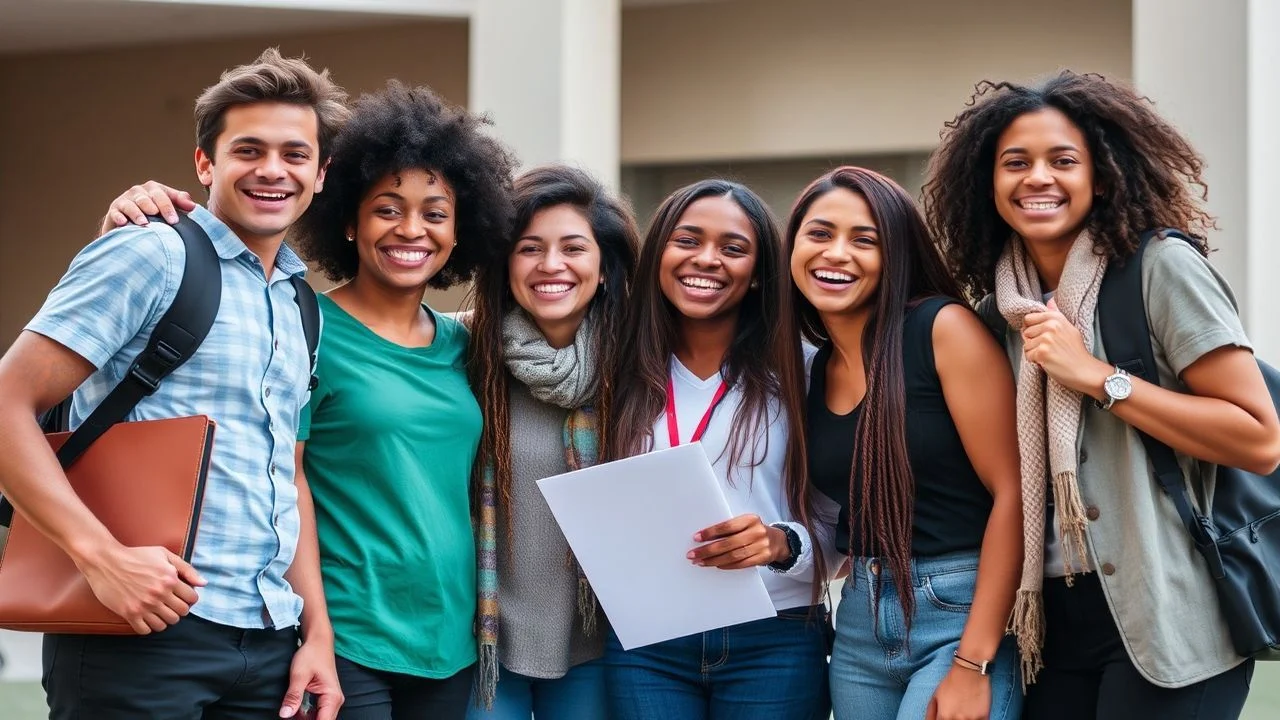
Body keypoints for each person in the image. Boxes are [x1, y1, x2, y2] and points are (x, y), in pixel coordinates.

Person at [101, 80, 518, 719]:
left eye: (436, 213)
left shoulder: (467, 346)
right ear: (347, 219)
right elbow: (289, 477)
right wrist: (317, 631)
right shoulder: (305, 328)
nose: (412, 229)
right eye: (387, 208)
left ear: (463, 231)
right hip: (346, 639)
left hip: (452, 642)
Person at [0, 48, 349, 719]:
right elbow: (8, 403)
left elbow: (287, 472)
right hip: (138, 632)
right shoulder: (150, 252)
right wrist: (99, 558)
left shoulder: (301, 302)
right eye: (248, 149)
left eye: (295, 154)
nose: (273, 169)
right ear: (204, 164)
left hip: (268, 641)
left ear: (320, 173)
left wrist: (316, 635)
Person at [923, 70, 1280, 719]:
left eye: (1063, 160)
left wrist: (1096, 376)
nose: (1037, 178)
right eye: (1014, 163)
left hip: (1171, 618)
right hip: (1047, 628)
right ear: (987, 183)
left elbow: (1257, 438)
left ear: (1104, 175)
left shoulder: (1162, 268)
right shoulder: (992, 315)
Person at [787, 166, 1023, 720]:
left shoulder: (942, 329)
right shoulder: (816, 367)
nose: (837, 253)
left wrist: (973, 663)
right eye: (819, 234)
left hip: (959, 609)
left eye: (864, 240)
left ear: (895, 255)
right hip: (861, 623)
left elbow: (1015, 493)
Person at [604, 179, 833, 720]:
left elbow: (844, 522)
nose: (706, 260)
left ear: (758, 275)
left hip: (775, 636)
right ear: (658, 253)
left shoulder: (807, 371)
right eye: (687, 241)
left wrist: (779, 544)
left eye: (733, 249)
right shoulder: (613, 370)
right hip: (646, 639)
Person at [465, 164, 639, 719]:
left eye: (573, 248)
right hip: (482, 639)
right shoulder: (464, 349)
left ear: (605, 269)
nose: (551, 266)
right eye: (530, 248)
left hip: (598, 639)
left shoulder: (639, 365)